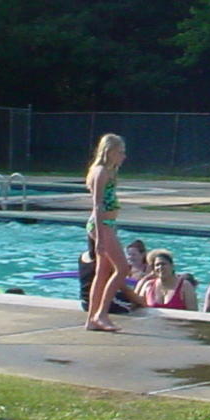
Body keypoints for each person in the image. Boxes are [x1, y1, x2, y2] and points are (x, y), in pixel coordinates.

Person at [84, 134, 128, 332]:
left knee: (102, 273)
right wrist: (100, 239)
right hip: (102, 225)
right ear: (109, 151)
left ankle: (92, 320)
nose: (123, 156)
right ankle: (101, 313)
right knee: (122, 268)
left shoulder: (109, 171)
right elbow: (98, 205)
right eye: (120, 152)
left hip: (107, 224)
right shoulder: (101, 172)